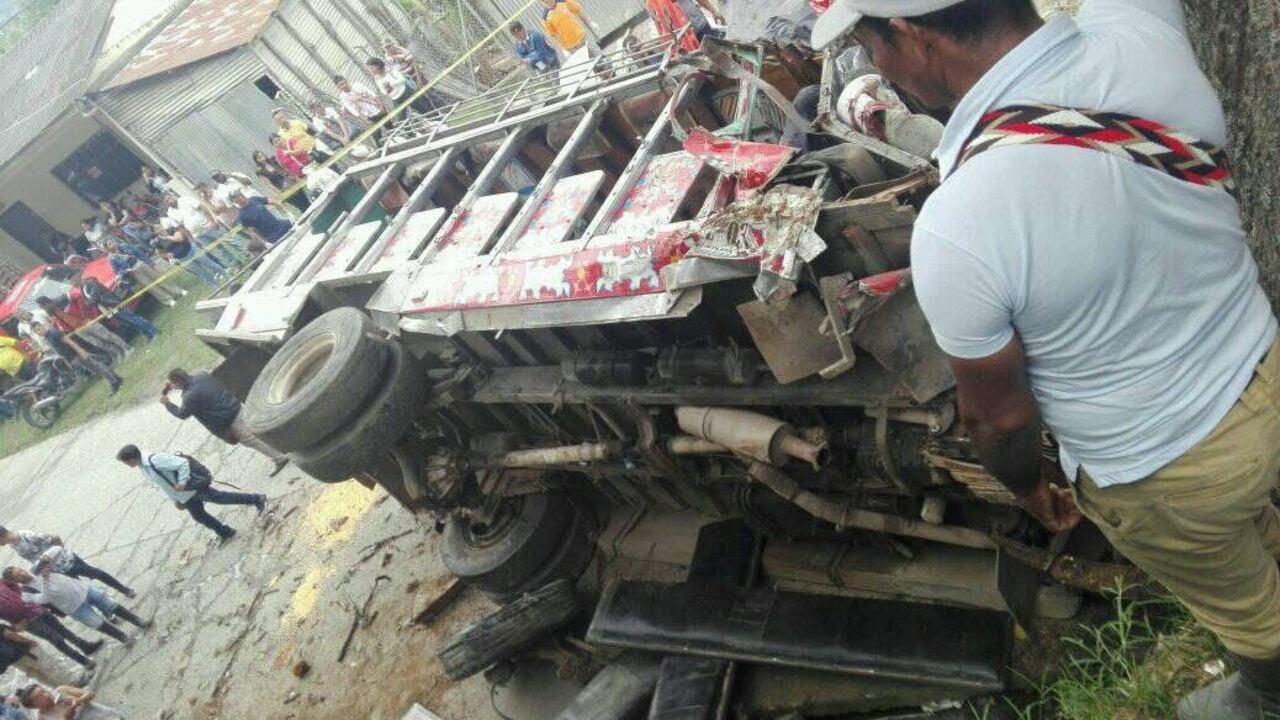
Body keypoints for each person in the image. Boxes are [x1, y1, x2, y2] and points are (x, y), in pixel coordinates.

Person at [812, 0, 1280, 717]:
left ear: (913, 33)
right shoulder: (1142, 29)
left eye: (869, 41)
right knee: (1251, 519)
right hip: (1263, 362)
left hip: (1166, 468)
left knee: (1247, 607)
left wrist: (1029, 488)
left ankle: (1264, 691)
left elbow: (998, 420)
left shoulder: (958, 228)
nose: (874, 64)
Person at [117, 445, 266, 543]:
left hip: (192, 488)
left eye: (126, 462)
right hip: (184, 496)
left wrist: (182, 482)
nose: (127, 465)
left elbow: (182, 463)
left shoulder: (155, 460)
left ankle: (256, 499)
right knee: (199, 516)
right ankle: (225, 532)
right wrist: (176, 500)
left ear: (132, 458)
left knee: (221, 498)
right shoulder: (143, 467)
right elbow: (163, 484)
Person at [160, 368, 289, 473]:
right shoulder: (201, 374)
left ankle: (280, 458)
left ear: (177, 382)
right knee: (259, 429)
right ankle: (285, 445)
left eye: (173, 383)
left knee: (253, 440)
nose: (173, 386)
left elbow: (182, 414)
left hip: (229, 420)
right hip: (236, 405)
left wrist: (168, 404)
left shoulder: (189, 397)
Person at [1, 567, 147, 646]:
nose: (22, 573)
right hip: (74, 608)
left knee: (111, 606)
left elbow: (55, 550)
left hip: (84, 590)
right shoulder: (26, 593)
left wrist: (47, 562)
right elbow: (44, 598)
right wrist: (45, 579)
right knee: (98, 623)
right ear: (14, 581)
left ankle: (137, 621)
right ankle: (122, 637)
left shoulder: (37, 568)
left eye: (20, 570)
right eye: (17, 575)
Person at [0, 528, 134, 599]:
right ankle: (108, 609)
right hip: (57, 570)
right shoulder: (14, 546)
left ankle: (124, 590)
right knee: (82, 591)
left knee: (96, 573)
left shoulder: (26, 536)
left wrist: (61, 554)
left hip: (67, 561)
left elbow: (54, 538)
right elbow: (34, 559)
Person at [0, 579, 99, 670]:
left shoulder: (1, 582)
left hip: (37, 609)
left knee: (63, 630)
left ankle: (86, 647)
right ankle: (83, 661)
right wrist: (14, 627)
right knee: (56, 640)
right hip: (29, 622)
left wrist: (29, 600)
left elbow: (17, 587)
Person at [31, 323, 121, 395]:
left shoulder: (54, 333)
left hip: (76, 354)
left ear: (42, 326)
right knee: (96, 367)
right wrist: (67, 361)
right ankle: (117, 378)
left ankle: (114, 382)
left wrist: (82, 352)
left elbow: (70, 342)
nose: (39, 332)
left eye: (39, 329)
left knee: (96, 367)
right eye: (36, 332)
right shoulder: (47, 337)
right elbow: (59, 351)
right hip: (71, 357)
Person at [35, 294, 128, 362]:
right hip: (78, 330)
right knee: (99, 343)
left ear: (45, 303)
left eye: (41, 306)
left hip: (87, 322)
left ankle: (126, 348)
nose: (41, 309)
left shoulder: (61, 299)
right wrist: (69, 329)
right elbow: (59, 322)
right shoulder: (50, 312)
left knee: (108, 336)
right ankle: (118, 352)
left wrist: (84, 314)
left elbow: (78, 296)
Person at [0, 625, 87, 696]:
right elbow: (9, 634)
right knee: (51, 667)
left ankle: (65, 691)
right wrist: (29, 641)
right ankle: (75, 682)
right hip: (25, 652)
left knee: (39, 675)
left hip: (14, 662)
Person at [77, 278, 157, 343]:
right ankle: (147, 334)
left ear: (77, 278)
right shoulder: (82, 289)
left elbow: (94, 299)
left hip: (113, 303)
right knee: (129, 322)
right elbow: (87, 303)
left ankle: (153, 331)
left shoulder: (91, 282)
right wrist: (91, 301)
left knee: (132, 318)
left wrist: (91, 301)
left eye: (72, 281)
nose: (73, 284)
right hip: (107, 309)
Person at [365, 58, 434, 115]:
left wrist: (390, 84)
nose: (370, 70)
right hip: (396, 99)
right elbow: (383, 91)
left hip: (406, 93)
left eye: (371, 68)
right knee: (401, 119)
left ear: (377, 66)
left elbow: (402, 79)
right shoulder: (377, 78)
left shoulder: (390, 70)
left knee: (424, 108)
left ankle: (437, 118)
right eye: (369, 69)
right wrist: (387, 90)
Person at [18, 684, 124, 720]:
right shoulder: (42, 717)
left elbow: (91, 694)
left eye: (44, 691)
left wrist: (79, 700)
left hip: (105, 716)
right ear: (34, 706)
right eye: (39, 697)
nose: (46, 695)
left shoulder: (61, 690)